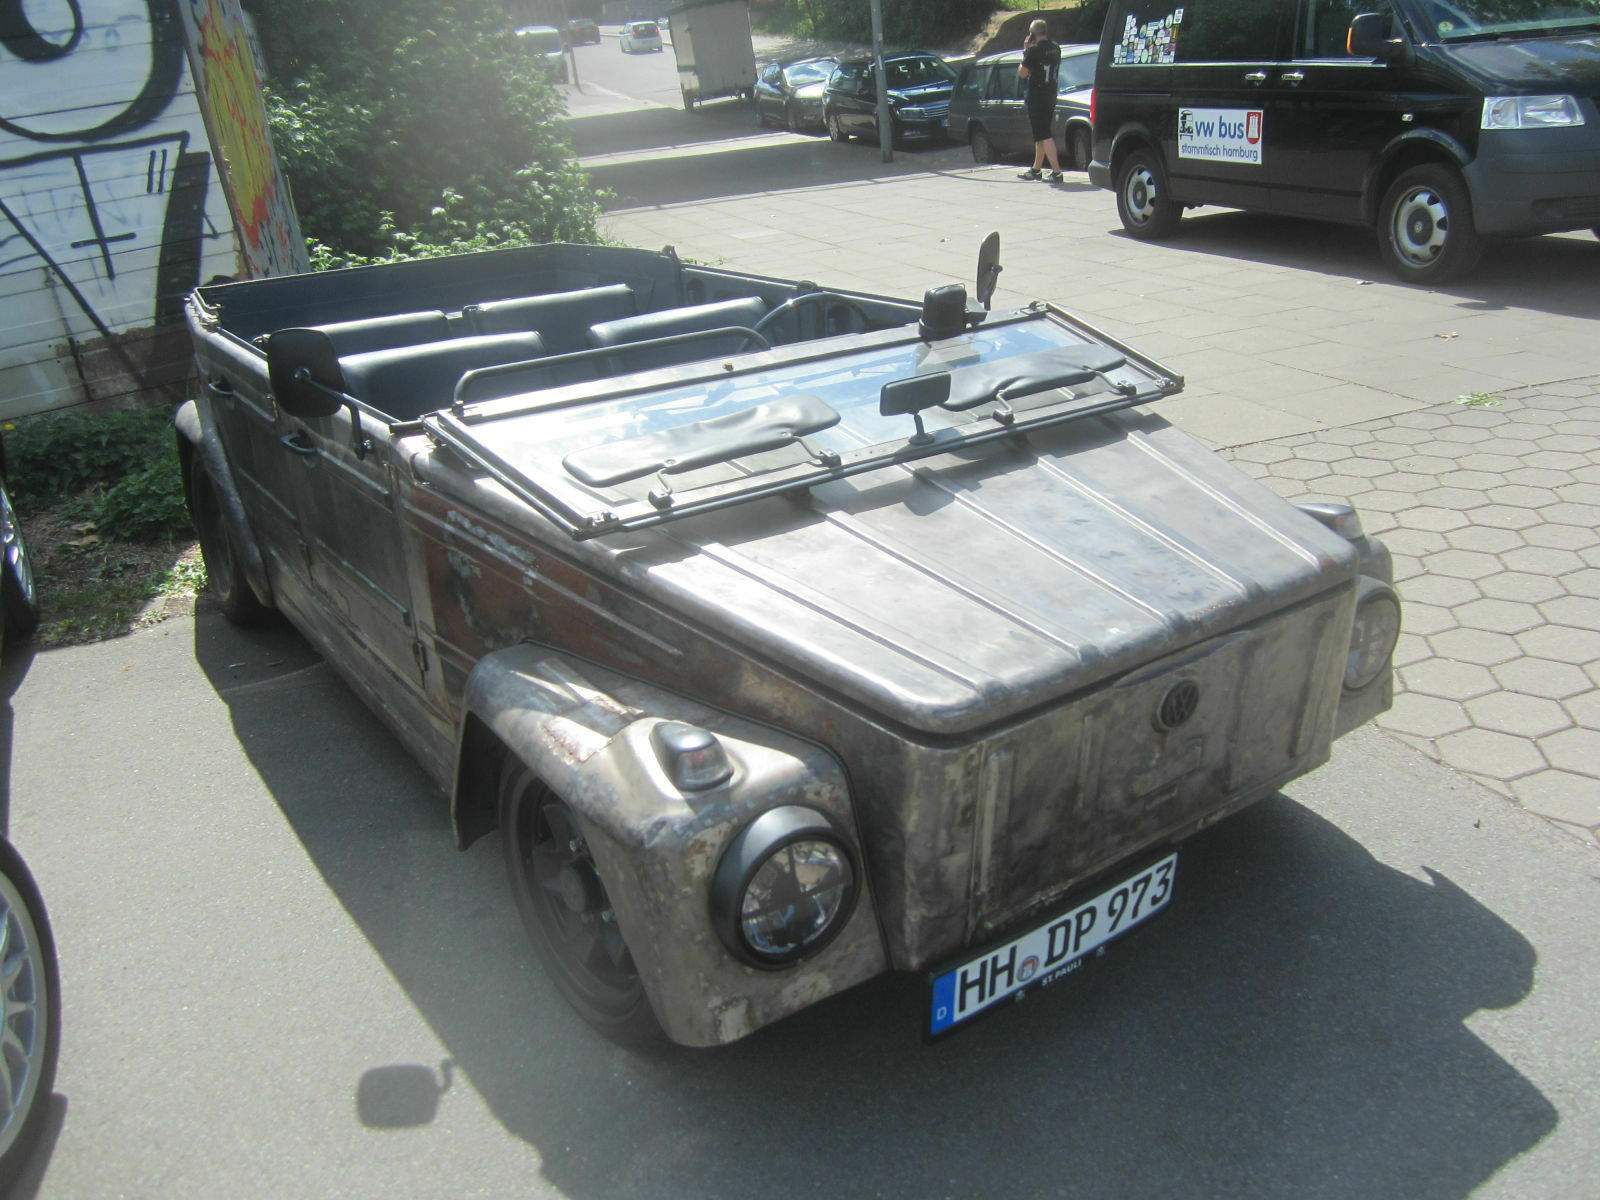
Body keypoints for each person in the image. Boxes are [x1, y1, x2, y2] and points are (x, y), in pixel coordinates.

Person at [1017, 19, 1063, 182]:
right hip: (1050, 94)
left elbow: (1022, 73)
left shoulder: (1033, 51)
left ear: (1032, 35)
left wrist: (1025, 50)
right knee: (1040, 134)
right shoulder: (1055, 48)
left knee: (1044, 134)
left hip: (1037, 96)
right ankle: (1036, 169)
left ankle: (1057, 172)